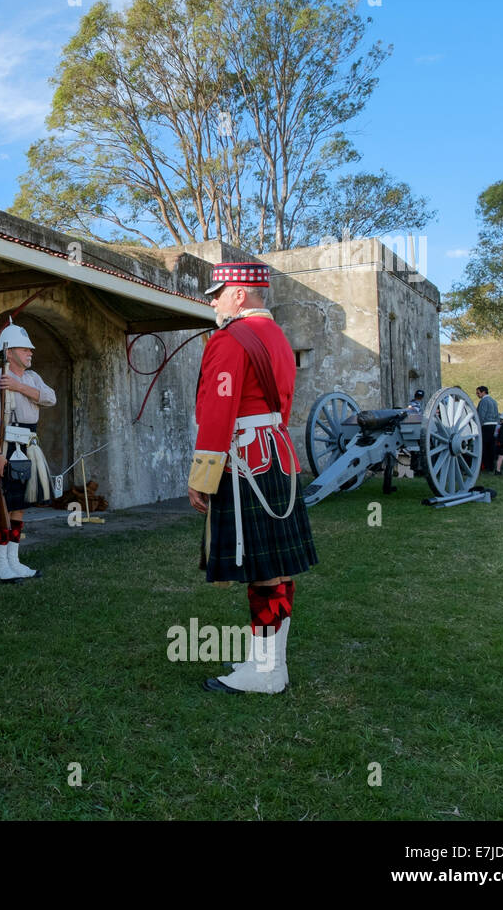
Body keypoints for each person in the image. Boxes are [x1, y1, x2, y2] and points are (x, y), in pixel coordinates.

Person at [187, 263, 318, 695]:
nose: (213, 301)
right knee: (276, 569)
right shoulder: (278, 337)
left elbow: (218, 411)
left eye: (218, 292)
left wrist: (202, 476)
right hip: (277, 456)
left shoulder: (230, 339)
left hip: (245, 462)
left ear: (239, 294)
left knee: (264, 571)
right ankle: (270, 663)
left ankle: (265, 671)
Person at [0, 320, 56, 583]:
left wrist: (20, 387)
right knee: (4, 505)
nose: (31, 353)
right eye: (25, 349)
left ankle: (13, 560)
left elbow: (50, 398)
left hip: (27, 446)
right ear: (9, 351)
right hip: (5, 446)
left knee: (20, 505)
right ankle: (0, 565)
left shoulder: (32, 378)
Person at [476, 386, 499, 474]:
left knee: (484, 447)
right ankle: (492, 466)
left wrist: (478, 426)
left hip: (486, 425)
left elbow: (481, 415)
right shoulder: (493, 401)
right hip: (494, 425)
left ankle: (486, 466)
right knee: (492, 447)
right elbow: (497, 414)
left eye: (478, 393)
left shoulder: (483, 401)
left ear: (483, 392)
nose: (477, 395)